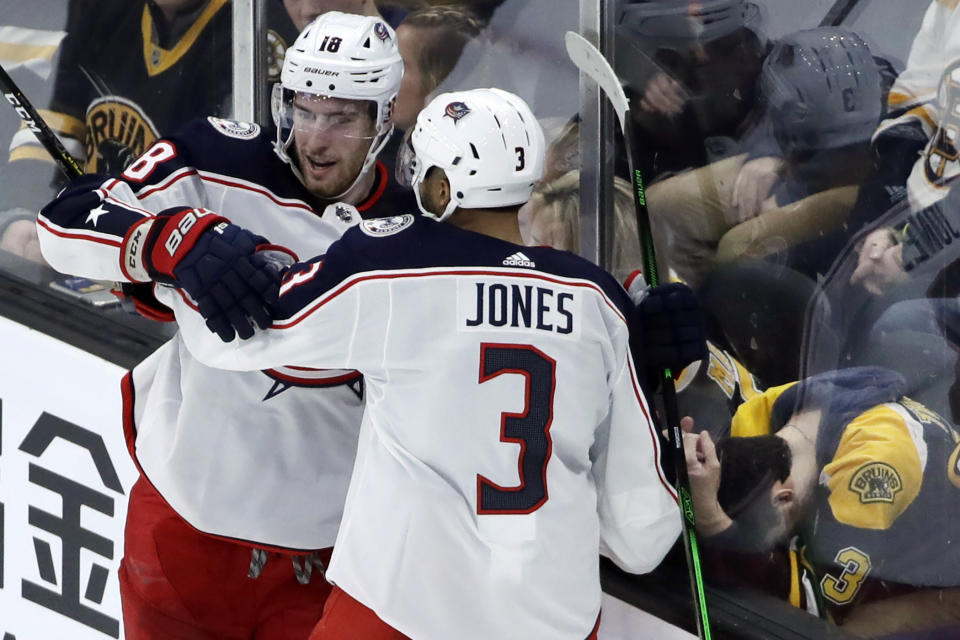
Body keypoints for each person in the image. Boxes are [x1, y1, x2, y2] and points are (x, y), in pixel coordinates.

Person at [146, 88, 689, 639]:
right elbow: (639, 538)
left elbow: (242, 338)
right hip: (551, 620)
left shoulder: (394, 265)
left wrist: (182, 271)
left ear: (441, 186)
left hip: (400, 613)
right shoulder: (598, 302)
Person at [36, 12, 414, 639]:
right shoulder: (219, 157)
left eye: (342, 118)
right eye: (301, 110)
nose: (314, 140)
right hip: (184, 534)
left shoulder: (418, 232)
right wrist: (168, 241)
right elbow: (64, 227)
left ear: (384, 117)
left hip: (327, 561)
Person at [684, 366, 960, 636]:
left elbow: (812, 610)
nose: (769, 548)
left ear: (784, 496)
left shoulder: (871, 471)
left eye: (760, 540)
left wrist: (712, 521)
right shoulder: (754, 417)